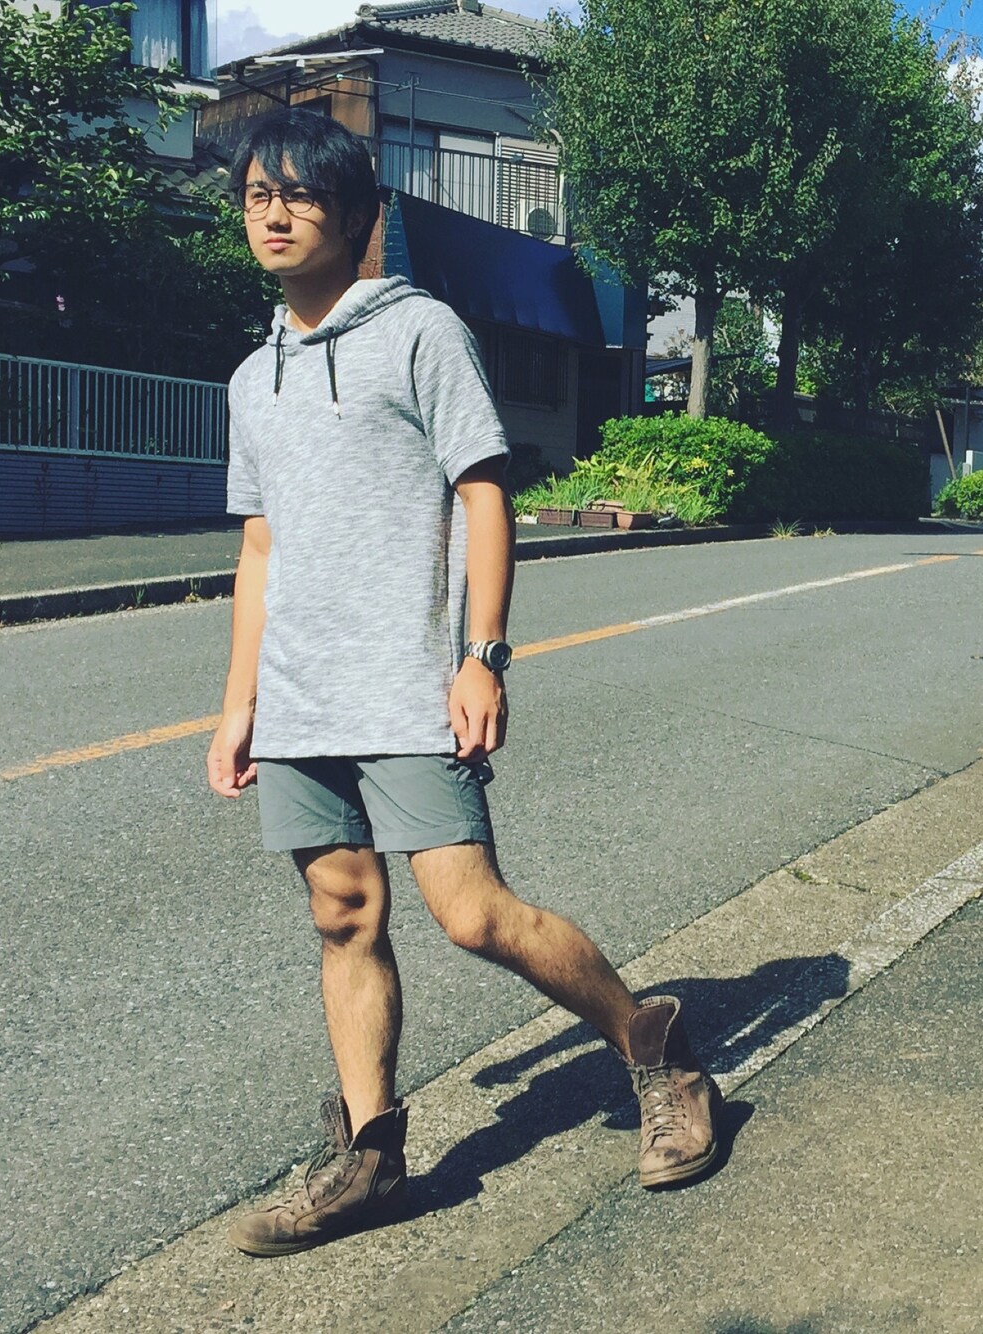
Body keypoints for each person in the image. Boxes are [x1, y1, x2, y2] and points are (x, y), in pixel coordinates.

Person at [207, 108, 720, 1259]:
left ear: (355, 213)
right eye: (255, 196)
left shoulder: (419, 331)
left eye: (298, 194)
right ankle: (371, 1154)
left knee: (471, 912)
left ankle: (657, 1050)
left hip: (405, 682)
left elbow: (484, 494)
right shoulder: (250, 376)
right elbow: (259, 548)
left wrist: (482, 654)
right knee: (342, 913)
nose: (273, 215)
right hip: (299, 695)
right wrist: (239, 701)